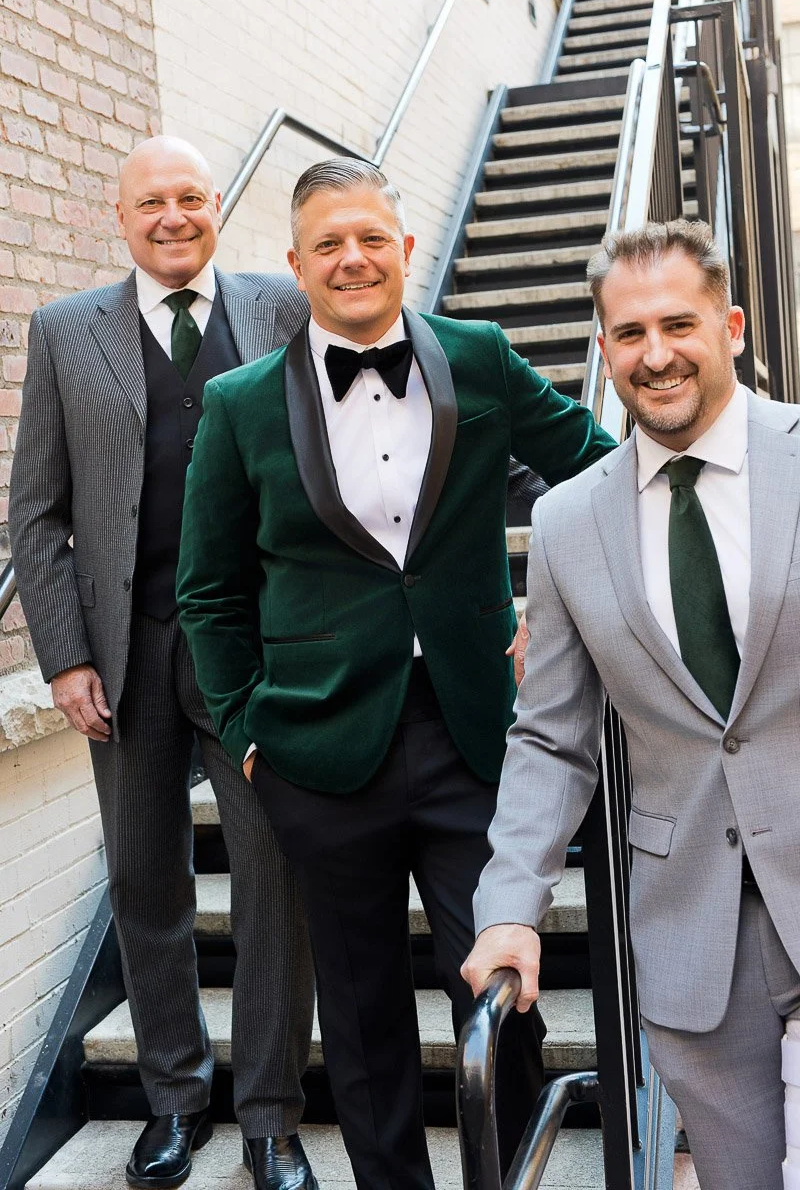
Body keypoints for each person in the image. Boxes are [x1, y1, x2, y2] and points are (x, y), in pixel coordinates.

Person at [175, 156, 616, 1190]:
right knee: (364, 1015)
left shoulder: (481, 354)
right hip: (318, 753)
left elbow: (597, 469)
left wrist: (557, 615)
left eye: (371, 235)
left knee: (503, 994)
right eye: (327, 242)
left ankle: (509, 1174)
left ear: (407, 248)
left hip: (472, 735)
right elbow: (209, 591)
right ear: (294, 266)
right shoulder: (239, 404)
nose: (353, 257)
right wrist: (246, 735)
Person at [462, 219, 800, 1190]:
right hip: (690, 931)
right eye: (627, 333)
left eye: (677, 324)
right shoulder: (568, 522)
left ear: (728, 325)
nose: (654, 355)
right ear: (602, 347)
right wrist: (508, 907)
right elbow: (552, 738)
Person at [8, 136, 317, 1190]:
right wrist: (62, 659)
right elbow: (37, 513)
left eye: (191, 196)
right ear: (120, 212)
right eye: (153, 201)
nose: (173, 215)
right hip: (125, 654)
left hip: (260, 657)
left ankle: (272, 1118)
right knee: (147, 884)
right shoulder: (62, 332)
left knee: (274, 880)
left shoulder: (283, 305)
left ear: (217, 203)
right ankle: (173, 1104)